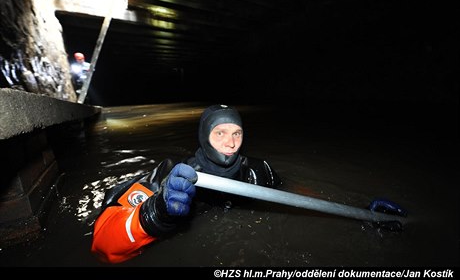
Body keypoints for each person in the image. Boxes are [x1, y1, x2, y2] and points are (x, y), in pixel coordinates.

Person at [90, 104, 405, 264]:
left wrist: (361, 211)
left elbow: (295, 194)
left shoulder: (258, 171)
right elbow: (103, 246)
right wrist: (155, 212)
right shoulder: (175, 174)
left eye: (236, 134)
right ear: (204, 136)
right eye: (220, 134)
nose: (230, 143)